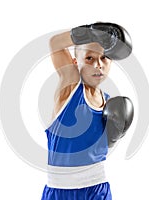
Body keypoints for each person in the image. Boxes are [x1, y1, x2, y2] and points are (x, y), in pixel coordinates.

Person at [41, 22, 133, 200]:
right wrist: (90, 32)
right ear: (76, 62)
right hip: (61, 190)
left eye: (104, 57)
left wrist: (114, 138)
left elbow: (96, 148)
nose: (98, 64)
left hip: (97, 188)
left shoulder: (108, 103)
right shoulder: (71, 87)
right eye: (89, 58)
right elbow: (55, 43)